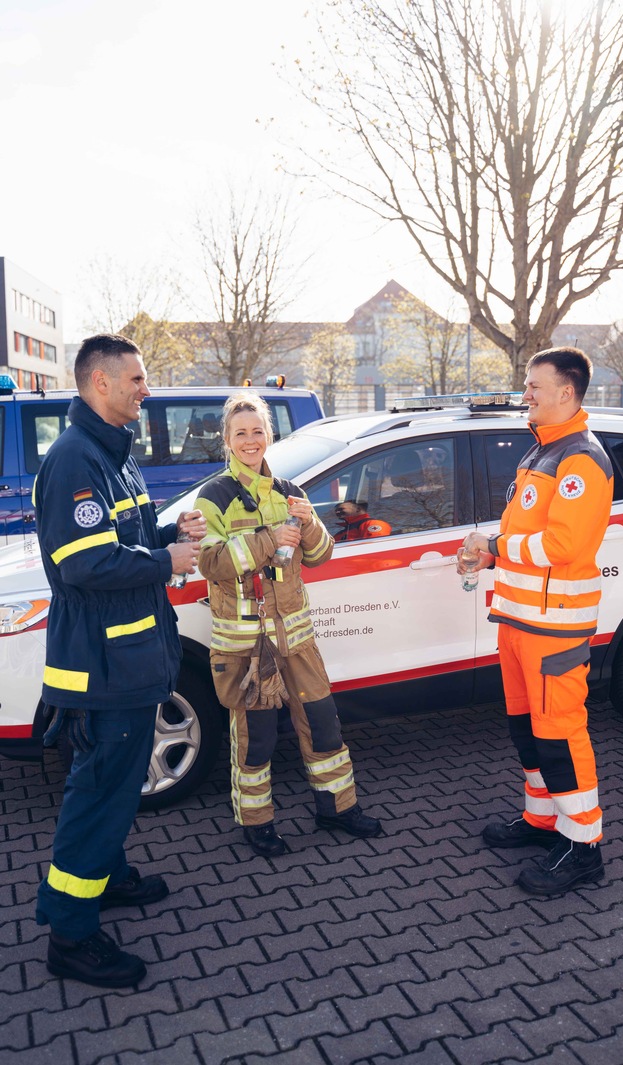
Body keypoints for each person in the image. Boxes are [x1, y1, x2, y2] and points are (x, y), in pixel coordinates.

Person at [34, 334, 205, 988]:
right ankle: (71, 935)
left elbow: (121, 540)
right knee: (99, 796)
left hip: (128, 661)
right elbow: (84, 563)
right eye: (136, 378)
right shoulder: (78, 460)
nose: (146, 389)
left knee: (109, 791)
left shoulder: (111, 453)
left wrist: (168, 536)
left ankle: (101, 879)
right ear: (100, 383)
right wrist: (167, 561)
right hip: (106, 668)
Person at [195, 393, 382, 857]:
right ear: (226, 440)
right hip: (247, 647)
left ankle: (337, 809)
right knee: (255, 739)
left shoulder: (289, 491)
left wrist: (310, 523)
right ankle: (256, 824)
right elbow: (210, 562)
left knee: (323, 726)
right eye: (241, 433)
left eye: (258, 431)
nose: (250, 440)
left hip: (296, 641)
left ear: (269, 436)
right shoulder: (212, 497)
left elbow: (319, 555)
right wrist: (267, 539)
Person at [459, 347, 613, 896]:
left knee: (560, 736)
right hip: (520, 621)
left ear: (566, 392)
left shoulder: (581, 460)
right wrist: (492, 555)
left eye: (534, 386)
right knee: (527, 731)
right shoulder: (542, 452)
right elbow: (530, 540)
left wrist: (498, 544)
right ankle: (543, 821)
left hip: (554, 628)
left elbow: (564, 545)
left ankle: (583, 847)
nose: (526, 393)